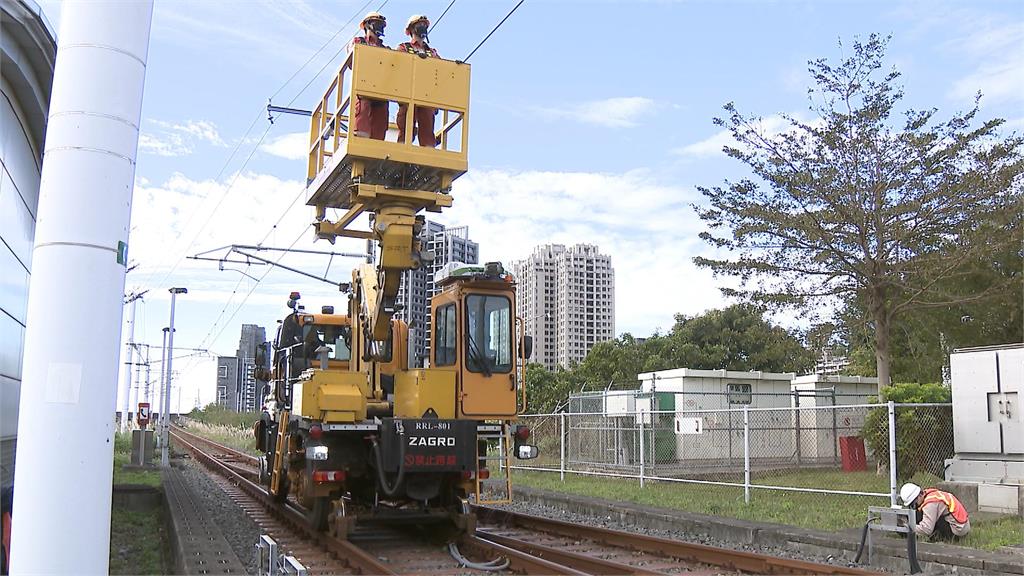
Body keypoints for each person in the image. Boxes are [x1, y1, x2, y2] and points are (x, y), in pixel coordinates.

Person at [396, 14, 440, 147]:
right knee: (406, 124)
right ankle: (402, 149)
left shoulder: (432, 52)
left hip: (426, 94)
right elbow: (398, 66)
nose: (422, 28)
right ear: (411, 29)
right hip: (408, 91)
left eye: (424, 25)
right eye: (419, 25)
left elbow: (440, 69)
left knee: (427, 124)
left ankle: (428, 151)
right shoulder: (403, 48)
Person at [350, 12, 390, 140]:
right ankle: (361, 140)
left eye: (381, 25)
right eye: (376, 23)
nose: (379, 27)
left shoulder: (387, 49)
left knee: (381, 117)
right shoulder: (358, 42)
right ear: (367, 25)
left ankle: (376, 144)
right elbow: (352, 62)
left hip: (381, 89)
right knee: (363, 110)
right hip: (364, 86)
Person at [900, 482, 971, 541]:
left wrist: (908, 526)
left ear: (918, 496)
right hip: (963, 526)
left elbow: (927, 529)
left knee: (922, 518)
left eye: (913, 504)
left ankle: (941, 539)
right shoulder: (929, 494)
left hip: (957, 531)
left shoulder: (930, 504)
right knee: (920, 514)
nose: (914, 506)